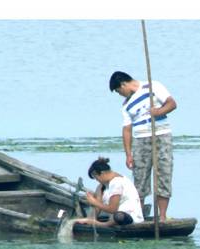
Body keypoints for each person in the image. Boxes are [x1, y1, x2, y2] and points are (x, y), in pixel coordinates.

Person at [109, 70, 177, 221]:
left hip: (161, 135)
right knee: (140, 178)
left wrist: (158, 111)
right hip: (140, 140)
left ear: (123, 84)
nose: (120, 94)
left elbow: (172, 104)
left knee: (163, 175)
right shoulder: (126, 106)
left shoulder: (152, 87)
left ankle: (162, 216)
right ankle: (138, 216)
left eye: (119, 91)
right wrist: (128, 154)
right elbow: (127, 130)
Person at [74, 157, 145, 227]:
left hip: (129, 217)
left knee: (119, 216)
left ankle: (103, 225)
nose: (97, 180)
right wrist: (91, 219)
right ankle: (99, 223)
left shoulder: (116, 182)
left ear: (101, 174)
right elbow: (98, 206)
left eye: (96, 178)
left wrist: (94, 202)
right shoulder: (103, 186)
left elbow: (112, 209)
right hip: (113, 219)